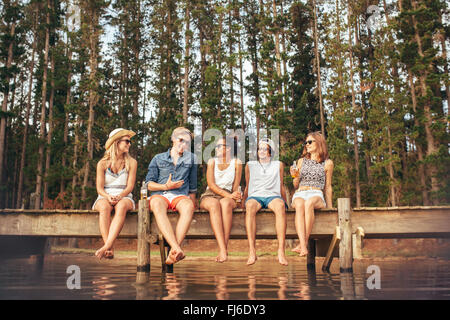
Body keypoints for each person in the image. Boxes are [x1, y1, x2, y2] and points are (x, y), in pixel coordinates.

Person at [145, 127, 198, 265]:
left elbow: (192, 188)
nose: (184, 144)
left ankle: (173, 251)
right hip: (160, 194)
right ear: (173, 139)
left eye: (187, 142)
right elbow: (148, 185)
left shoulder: (192, 159)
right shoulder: (158, 158)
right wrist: (165, 186)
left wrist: (193, 208)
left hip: (179, 196)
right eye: (181, 140)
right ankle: (176, 249)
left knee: (188, 206)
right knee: (156, 204)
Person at [243, 138, 289, 266]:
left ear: (270, 152)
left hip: (272, 196)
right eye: (259, 149)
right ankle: (252, 251)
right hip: (255, 196)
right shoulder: (250, 165)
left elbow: (281, 185)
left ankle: (281, 251)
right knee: (250, 206)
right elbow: (247, 185)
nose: (261, 151)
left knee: (280, 206)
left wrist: (285, 202)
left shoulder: (278, 165)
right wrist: (242, 202)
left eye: (265, 149)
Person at [93, 128, 137, 259]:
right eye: (127, 141)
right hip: (104, 195)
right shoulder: (102, 163)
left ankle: (106, 247)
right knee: (105, 207)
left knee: (122, 206)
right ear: (117, 143)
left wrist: (120, 196)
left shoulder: (132, 163)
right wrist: (107, 196)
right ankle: (110, 247)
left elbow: (130, 186)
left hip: (124, 196)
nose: (129, 144)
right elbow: (99, 188)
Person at [290, 131, 334, 257]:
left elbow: (328, 186)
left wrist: (330, 208)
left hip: (316, 193)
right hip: (301, 192)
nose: (307, 145)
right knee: (299, 205)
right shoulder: (301, 161)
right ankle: (303, 246)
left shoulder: (327, 163)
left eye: (310, 142)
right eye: (306, 143)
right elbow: (295, 184)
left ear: (319, 143)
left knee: (309, 203)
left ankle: (302, 244)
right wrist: (295, 176)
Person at [199, 137, 243, 262]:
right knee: (214, 204)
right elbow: (211, 184)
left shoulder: (237, 163)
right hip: (210, 194)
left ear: (228, 148)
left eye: (219, 146)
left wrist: (235, 197)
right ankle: (223, 249)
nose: (216, 149)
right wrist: (228, 195)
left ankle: (224, 247)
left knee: (225, 203)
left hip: (228, 194)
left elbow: (235, 186)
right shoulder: (212, 162)